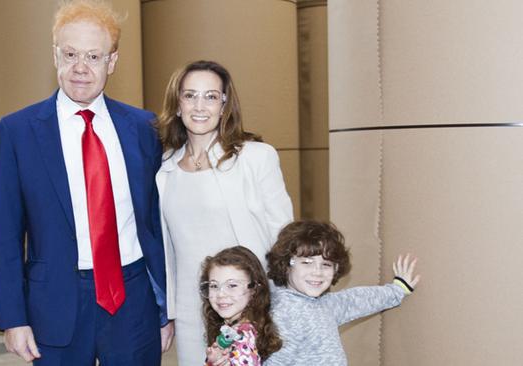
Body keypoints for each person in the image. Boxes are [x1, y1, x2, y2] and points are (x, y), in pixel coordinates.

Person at [0, 1, 173, 365]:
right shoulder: (17, 131)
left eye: (93, 56)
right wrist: (14, 319)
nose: (80, 68)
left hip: (133, 298)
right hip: (55, 302)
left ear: (112, 62)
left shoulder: (143, 128)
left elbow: (156, 221)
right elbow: (5, 233)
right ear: (54, 54)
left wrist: (165, 306)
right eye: (70, 54)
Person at [156, 60, 293, 365]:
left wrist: (282, 304)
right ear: (177, 105)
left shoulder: (256, 158)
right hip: (193, 309)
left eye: (211, 96)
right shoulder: (163, 170)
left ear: (224, 105)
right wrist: (169, 313)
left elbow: (283, 238)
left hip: (249, 308)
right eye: (190, 96)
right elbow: (169, 250)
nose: (200, 105)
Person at [264, 220, 421, 366]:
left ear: (336, 269)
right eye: (307, 262)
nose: (317, 272)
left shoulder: (324, 304)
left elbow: (356, 299)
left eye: (326, 264)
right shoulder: (283, 313)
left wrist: (398, 289)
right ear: (285, 265)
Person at [199, 246, 282, 366]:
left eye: (232, 285)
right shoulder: (238, 327)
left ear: (254, 289)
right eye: (214, 286)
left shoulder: (242, 337)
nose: (221, 294)